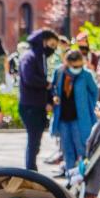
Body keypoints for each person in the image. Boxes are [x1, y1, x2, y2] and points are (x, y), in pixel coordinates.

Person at [18, 28, 60, 170]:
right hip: (30, 105)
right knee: (33, 140)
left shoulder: (39, 57)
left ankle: (31, 168)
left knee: (35, 141)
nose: (52, 49)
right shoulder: (30, 57)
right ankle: (30, 169)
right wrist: (46, 84)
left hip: (36, 105)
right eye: (52, 45)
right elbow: (30, 78)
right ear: (44, 41)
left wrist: (48, 99)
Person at [51, 49, 99, 171]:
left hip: (80, 118)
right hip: (63, 117)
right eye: (74, 66)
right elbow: (53, 88)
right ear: (67, 63)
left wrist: (88, 106)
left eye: (80, 65)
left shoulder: (86, 75)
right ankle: (70, 174)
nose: (77, 68)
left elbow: (94, 92)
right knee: (67, 149)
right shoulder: (59, 72)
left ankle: (85, 174)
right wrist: (54, 97)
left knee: (82, 148)